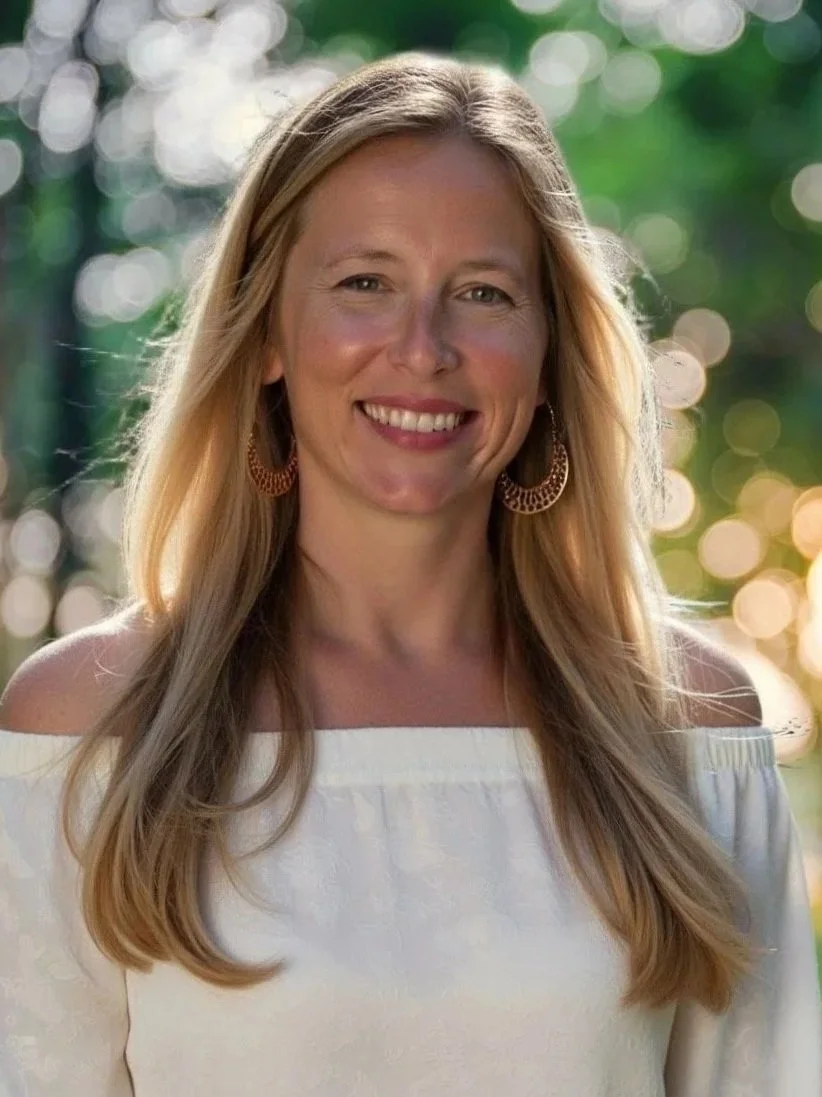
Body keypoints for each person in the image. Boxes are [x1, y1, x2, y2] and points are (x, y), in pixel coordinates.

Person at [0, 50, 819, 1097]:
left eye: (482, 291)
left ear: (547, 347)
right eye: (364, 283)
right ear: (266, 335)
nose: (422, 347)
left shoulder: (685, 728)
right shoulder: (93, 724)